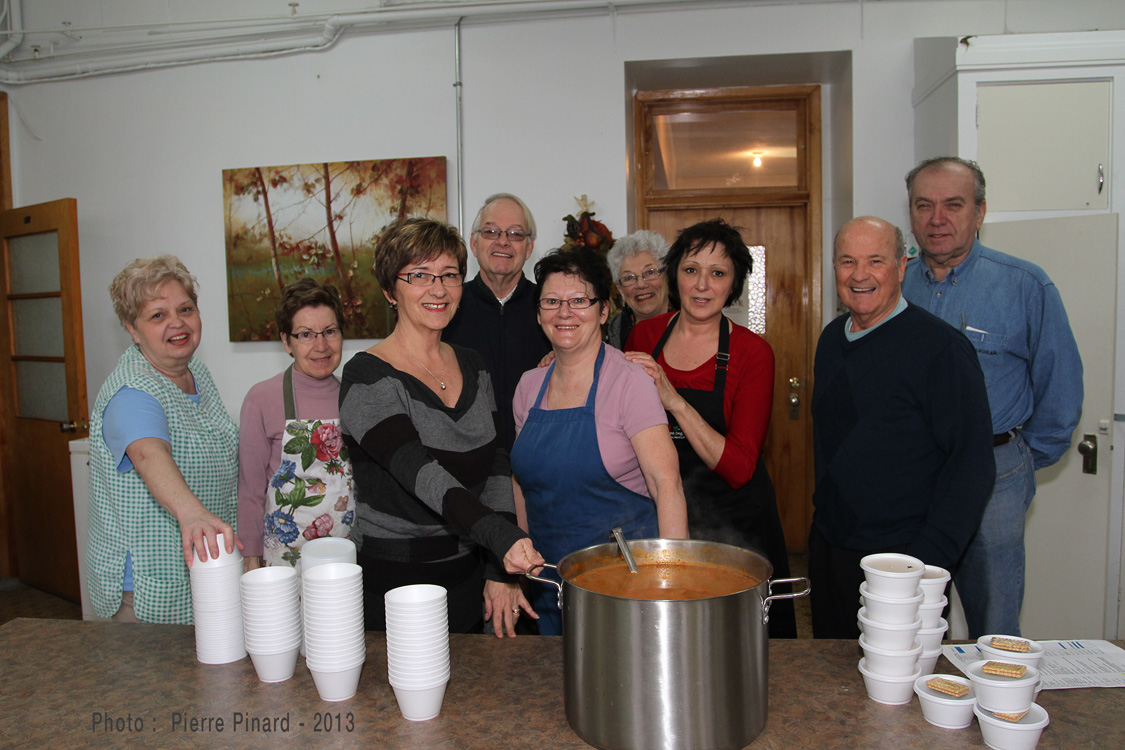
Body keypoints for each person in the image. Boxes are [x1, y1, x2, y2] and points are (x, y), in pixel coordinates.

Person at [902, 157, 1083, 637]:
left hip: (994, 478)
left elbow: (1060, 391)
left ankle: (998, 713)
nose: (937, 219)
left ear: (979, 213)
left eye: (953, 205)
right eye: (924, 205)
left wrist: (1014, 459)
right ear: (911, 214)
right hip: (912, 477)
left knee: (995, 625)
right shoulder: (892, 286)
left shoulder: (1024, 285)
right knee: (911, 621)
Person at [340, 217, 545, 638]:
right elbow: (420, 472)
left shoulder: (473, 365)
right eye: (419, 275)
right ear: (388, 290)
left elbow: (495, 467)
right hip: (395, 585)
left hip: (470, 580)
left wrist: (497, 568)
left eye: (449, 275)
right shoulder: (366, 376)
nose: (438, 289)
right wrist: (500, 536)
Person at [809, 216, 995, 639]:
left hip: (904, 561)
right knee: (832, 679)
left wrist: (926, 567)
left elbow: (971, 466)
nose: (859, 275)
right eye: (847, 261)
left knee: (898, 691)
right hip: (832, 547)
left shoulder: (942, 350)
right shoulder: (831, 339)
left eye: (875, 261)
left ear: (901, 266)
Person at [625, 218, 796, 638]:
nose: (702, 286)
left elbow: (739, 466)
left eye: (717, 273)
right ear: (675, 276)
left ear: (733, 284)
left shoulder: (753, 353)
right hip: (665, 515)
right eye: (691, 270)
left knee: (739, 646)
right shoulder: (644, 335)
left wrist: (674, 400)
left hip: (736, 524)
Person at [511, 247, 689, 635]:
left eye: (579, 301)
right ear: (539, 312)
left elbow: (667, 484)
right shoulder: (528, 387)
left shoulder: (631, 382)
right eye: (552, 301)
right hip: (550, 583)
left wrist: (674, 584)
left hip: (624, 584)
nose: (564, 313)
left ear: (603, 310)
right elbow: (520, 482)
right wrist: (521, 562)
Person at [87, 255, 240, 624]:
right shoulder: (132, 392)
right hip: (146, 589)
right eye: (157, 315)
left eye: (185, 308)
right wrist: (191, 513)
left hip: (204, 569)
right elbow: (147, 453)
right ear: (133, 330)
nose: (177, 322)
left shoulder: (195, 372)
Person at [238, 279, 354, 573]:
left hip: (345, 554)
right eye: (305, 335)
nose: (321, 346)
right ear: (286, 342)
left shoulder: (355, 396)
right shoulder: (261, 399)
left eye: (330, 331)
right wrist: (251, 560)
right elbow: (250, 490)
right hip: (285, 559)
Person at [443, 193, 551, 451]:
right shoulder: (446, 306)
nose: (503, 241)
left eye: (515, 234)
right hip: (465, 461)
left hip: (539, 456)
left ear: (529, 247)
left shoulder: (552, 307)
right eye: (491, 231)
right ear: (474, 242)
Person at [604, 230, 675, 349]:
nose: (641, 284)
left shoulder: (691, 323)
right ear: (620, 290)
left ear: (667, 277)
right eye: (628, 278)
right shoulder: (607, 336)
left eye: (650, 272)